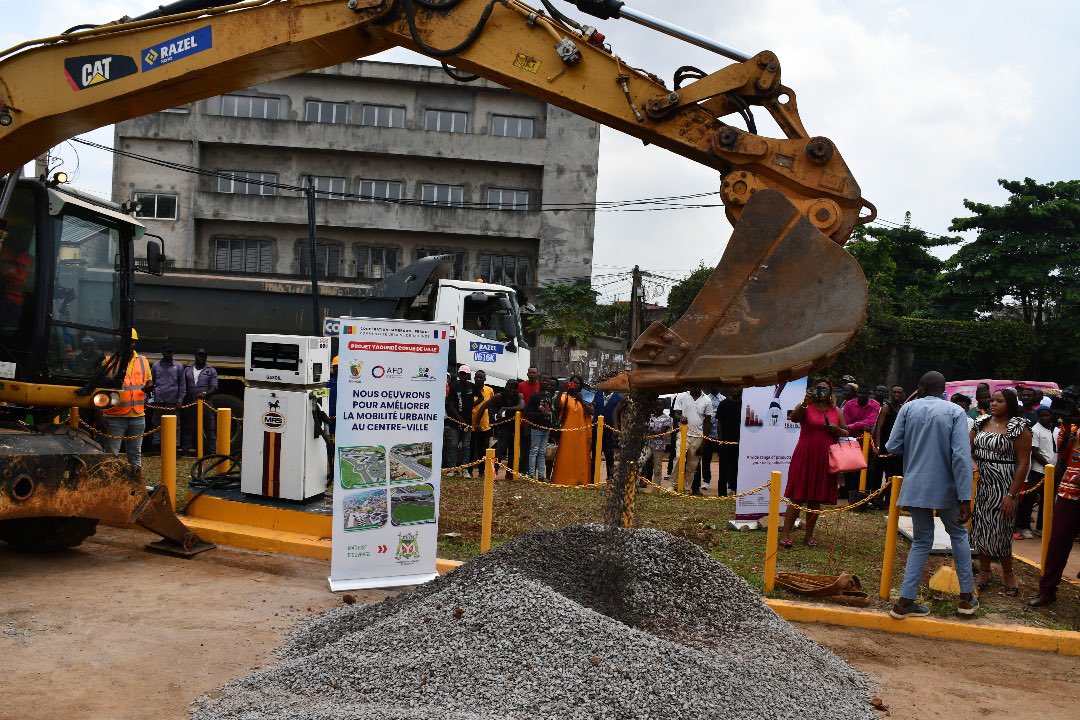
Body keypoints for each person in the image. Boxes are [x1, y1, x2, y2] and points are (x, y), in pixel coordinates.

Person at [884, 371, 978, 619]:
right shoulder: (955, 412)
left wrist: (916, 444)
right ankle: (966, 598)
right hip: (946, 487)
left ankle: (904, 602)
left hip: (916, 485)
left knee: (921, 541)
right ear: (943, 389)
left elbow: (892, 446)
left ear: (922, 387)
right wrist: (965, 497)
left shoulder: (907, 408)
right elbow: (960, 456)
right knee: (958, 535)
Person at [970, 388, 1031, 596]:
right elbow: (968, 450)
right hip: (981, 483)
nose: (993, 403)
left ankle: (1008, 574)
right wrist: (973, 463)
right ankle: (984, 572)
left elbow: (1023, 463)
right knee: (982, 529)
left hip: (1004, 483)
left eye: (999, 401)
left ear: (1010, 404)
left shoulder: (1018, 428)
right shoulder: (980, 423)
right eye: (992, 400)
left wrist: (1011, 494)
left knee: (1002, 530)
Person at [1028, 387, 1080, 607]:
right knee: (1058, 541)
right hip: (1070, 490)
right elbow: (1063, 456)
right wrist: (1069, 427)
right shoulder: (1071, 427)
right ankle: (1047, 590)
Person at [781, 379, 848, 547]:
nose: (822, 392)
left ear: (830, 392)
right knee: (797, 496)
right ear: (813, 390)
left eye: (825, 389)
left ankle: (809, 535)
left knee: (815, 498)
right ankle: (785, 534)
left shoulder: (836, 410)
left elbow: (846, 431)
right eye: (819, 388)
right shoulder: (806, 406)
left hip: (824, 458)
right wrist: (804, 403)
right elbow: (794, 418)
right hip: (805, 455)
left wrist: (836, 429)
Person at [103, 329, 152, 471]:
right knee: (112, 455)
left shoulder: (143, 361)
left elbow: (148, 381)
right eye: (126, 341)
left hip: (137, 416)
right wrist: (100, 416)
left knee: (135, 455)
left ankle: (134, 483)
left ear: (135, 343)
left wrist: (148, 390)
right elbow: (100, 390)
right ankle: (110, 484)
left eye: (132, 341)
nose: (129, 344)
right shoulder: (109, 361)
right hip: (115, 416)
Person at [1014, 406, 1057, 539]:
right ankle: (1024, 526)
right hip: (1038, 470)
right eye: (1042, 415)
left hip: (1053, 471)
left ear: (1051, 416)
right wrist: (1047, 464)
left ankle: (1041, 527)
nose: (1045, 418)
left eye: (1047, 415)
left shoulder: (1056, 430)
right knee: (1030, 500)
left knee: (1047, 501)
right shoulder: (1036, 430)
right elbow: (1035, 451)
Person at [475, 378, 524, 477]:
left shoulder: (519, 396)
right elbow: (483, 407)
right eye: (509, 388)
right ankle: (494, 471)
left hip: (515, 427)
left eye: (514, 388)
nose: (511, 390)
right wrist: (477, 423)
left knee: (512, 451)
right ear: (506, 387)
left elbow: (522, 407)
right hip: (503, 427)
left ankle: (510, 474)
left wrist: (504, 408)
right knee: (500, 449)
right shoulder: (499, 396)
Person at [551, 375, 593, 486]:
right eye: (573, 382)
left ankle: (581, 480)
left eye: (577, 383)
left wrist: (581, 401)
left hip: (583, 431)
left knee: (581, 455)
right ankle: (562, 479)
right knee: (566, 454)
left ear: (581, 385)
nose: (575, 385)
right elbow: (557, 406)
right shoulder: (565, 396)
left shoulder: (586, 396)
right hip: (567, 431)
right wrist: (561, 390)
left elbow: (592, 411)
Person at [671, 387, 713, 496]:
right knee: (679, 457)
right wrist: (680, 417)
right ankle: (674, 484)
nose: (694, 385)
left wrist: (704, 441)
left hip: (698, 436)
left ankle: (686, 488)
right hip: (683, 432)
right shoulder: (681, 396)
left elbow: (708, 422)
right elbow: (676, 413)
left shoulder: (707, 400)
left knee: (692, 464)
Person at [148, 341, 187, 455]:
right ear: (162, 352)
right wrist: (151, 400)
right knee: (156, 423)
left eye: (170, 352)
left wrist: (180, 400)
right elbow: (151, 384)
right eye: (166, 352)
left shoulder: (178, 366)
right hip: (159, 400)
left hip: (173, 401)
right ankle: (156, 446)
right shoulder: (155, 366)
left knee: (175, 425)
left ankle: (174, 447)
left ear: (173, 353)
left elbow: (182, 385)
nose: (168, 354)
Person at [841, 383, 879, 495]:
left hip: (867, 442)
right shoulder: (849, 404)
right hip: (851, 440)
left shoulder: (875, 405)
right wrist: (858, 426)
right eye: (859, 393)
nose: (861, 396)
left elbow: (870, 422)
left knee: (868, 468)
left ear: (869, 394)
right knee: (849, 469)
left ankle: (863, 493)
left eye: (864, 394)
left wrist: (853, 426)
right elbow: (845, 422)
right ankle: (849, 493)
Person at [180, 348, 218, 456]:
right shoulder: (187, 369)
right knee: (188, 427)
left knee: (209, 428)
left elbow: (214, 387)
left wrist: (205, 393)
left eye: (203, 356)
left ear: (206, 358)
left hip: (206, 403)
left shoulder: (211, 370)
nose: (201, 358)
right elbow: (183, 386)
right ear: (195, 356)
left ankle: (212, 452)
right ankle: (185, 451)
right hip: (190, 402)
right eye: (199, 355)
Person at [872, 386, 905, 506]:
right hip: (885, 445)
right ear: (891, 394)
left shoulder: (902, 409)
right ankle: (876, 498)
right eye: (894, 392)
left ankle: (887, 500)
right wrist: (878, 446)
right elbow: (879, 428)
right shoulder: (886, 407)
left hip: (897, 447)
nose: (896, 394)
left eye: (899, 392)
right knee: (881, 474)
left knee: (895, 474)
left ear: (903, 395)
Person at [524, 374, 557, 479]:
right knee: (534, 450)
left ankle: (541, 476)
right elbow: (528, 412)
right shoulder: (535, 396)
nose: (545, 382)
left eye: (547, 380)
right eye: (543, 380)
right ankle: (531, 474)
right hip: (536, 428)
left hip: (546, 428)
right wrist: (540, 414)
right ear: (539, 381)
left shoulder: (549, 396)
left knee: (542, 452)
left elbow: (551, 411)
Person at [444, 365, 475, 468]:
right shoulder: (453, 386)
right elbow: (450, 405)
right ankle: (452, 468)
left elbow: (481, 397)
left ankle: (465, 469)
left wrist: (471, 406)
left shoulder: (472, 386)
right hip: (455, 422)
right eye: (461, 373)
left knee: (466, 446)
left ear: (468, 375)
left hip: (468, 422)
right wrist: (460, 419)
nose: (462, 376)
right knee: (453, 445)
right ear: (458, 374)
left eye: (464, 374)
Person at [591, 388, 623, 481]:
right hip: (596, 428)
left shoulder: (618, 397)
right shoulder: (597, 394)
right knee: (595, 454)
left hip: (609, 430)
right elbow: (592, 407)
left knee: (609, 454)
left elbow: (617, 413)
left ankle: (610, 478)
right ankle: (593, 478)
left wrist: (616, 428)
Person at [716, 388, 742, 495]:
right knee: (723, 469)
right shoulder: (723, 404)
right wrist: (721, 440)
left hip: (740, 443)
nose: (736, 390)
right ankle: (722, 493)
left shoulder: (744, 404)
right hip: (725, 442)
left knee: (737, 468)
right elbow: (719, 423)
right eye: (733, 387)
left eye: (738, 388)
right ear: (730, 390)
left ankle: (735, 489)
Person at [698, 386, 724, 489]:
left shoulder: (723, 399)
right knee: (705, 459)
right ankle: (706, 481)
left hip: (720, 436)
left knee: (723, 460)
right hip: (707, 435)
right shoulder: (704, 399)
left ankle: (723, 482)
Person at [646, 399, 673, 486]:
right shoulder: (650, 417)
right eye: (656, 405)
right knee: (640, 462)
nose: (658, 407)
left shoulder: (667, 419)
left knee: (657, 467)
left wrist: (650, 430)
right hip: (648, 444)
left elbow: (661, 432)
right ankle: (637, 484)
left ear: (664, 407)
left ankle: (656, 488)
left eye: (660, 405)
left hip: (659, 446)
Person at [470, 369, 494, 469]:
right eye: (477, 377)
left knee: (482, 449)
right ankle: (469, 470)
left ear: (485, 379)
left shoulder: (489, 390)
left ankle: (481, 471)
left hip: (484, 425)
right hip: (470, 425)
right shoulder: (470, 389)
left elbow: (492, 405)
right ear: (474, 378)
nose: (478, 379)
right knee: (470, 449)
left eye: (481, 378)